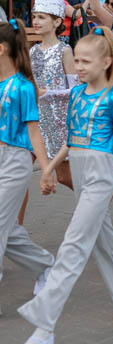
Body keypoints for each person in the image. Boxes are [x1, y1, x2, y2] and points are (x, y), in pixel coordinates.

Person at [19, 27, 113, 342]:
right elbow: (71, 139)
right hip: (79, 167)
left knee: (74, 243)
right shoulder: (78, 94)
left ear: (107, 62)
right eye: (76, 60)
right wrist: (49, 168)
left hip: (101, 171)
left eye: (85, 61)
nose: (78, 67)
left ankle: (45, 324)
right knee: (102, 238)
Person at [0, 20, 55, 322]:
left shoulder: (22, 86)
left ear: (1, 49)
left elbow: (34, 131)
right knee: (6, 231)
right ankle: (45, 264)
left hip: (14, 161)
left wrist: (46, 169)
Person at [29, 0, 76, 190]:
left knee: (65, 177)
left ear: (57, 21)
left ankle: (94, 204)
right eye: (35, 17)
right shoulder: (32, 52)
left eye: (41, 17)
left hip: (58, 121)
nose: (36, 22)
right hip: (36, 120)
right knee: (21, 170)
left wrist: (48, 93)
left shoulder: (64, 50)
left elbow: (76, 89)